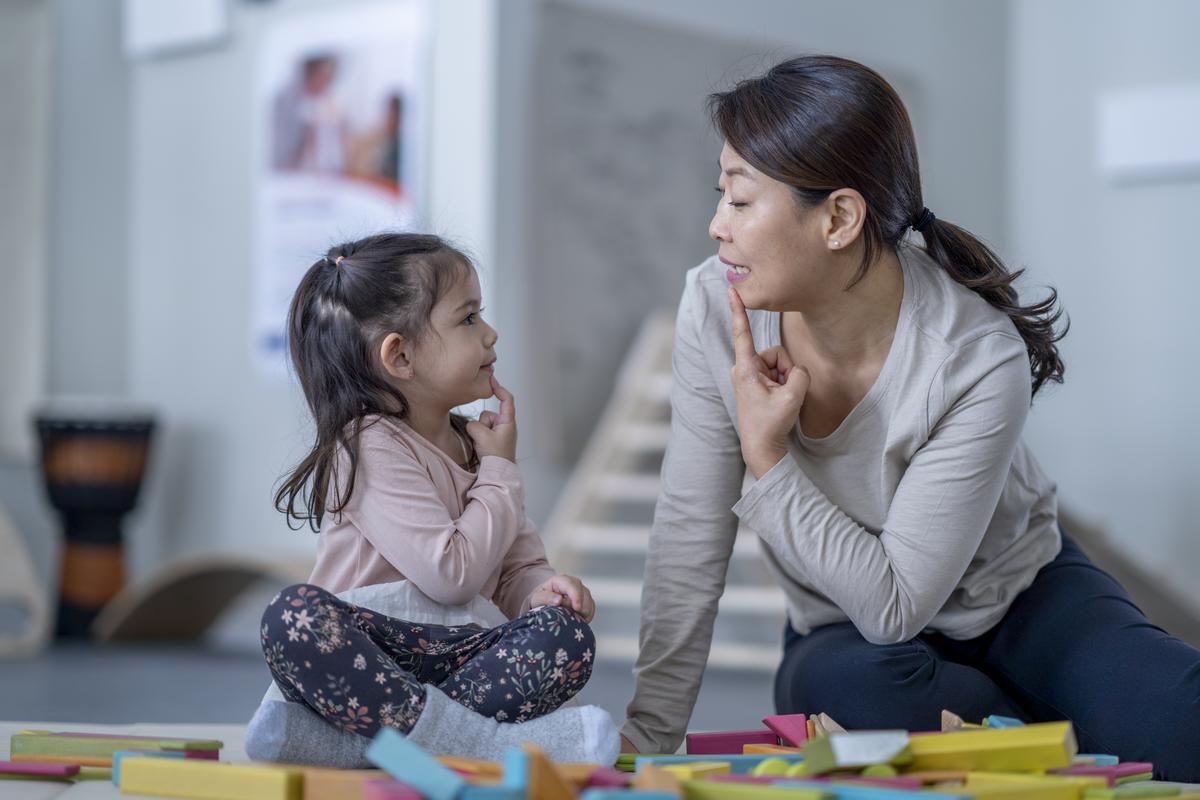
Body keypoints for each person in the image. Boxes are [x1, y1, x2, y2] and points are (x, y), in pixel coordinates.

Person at [621, 55, 1200, 780]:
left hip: (1019, 599)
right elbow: (689, 537)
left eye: (740, 202)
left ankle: (1038, 724)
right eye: (721, 195)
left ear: (837, 217)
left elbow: (897, 599)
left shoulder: (978, 353)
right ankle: (1048, 734)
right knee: (863, 694)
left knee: (1182, 723)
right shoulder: (713, 306)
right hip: (848, 634)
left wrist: (767, 457)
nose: (716, 227)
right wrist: (642, 748)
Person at [262, 233, 618, 762]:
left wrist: (543, 592)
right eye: (469, 318)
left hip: (459, 656)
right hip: (371, 658)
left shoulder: (479, 447)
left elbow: (517, 568)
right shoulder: (367, 444)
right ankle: (475, 744)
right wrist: (499, 470)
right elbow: (451, 575)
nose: (491, 334)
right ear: (400, 356)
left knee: (566, 639)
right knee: (291, 616)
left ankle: (359, 748)